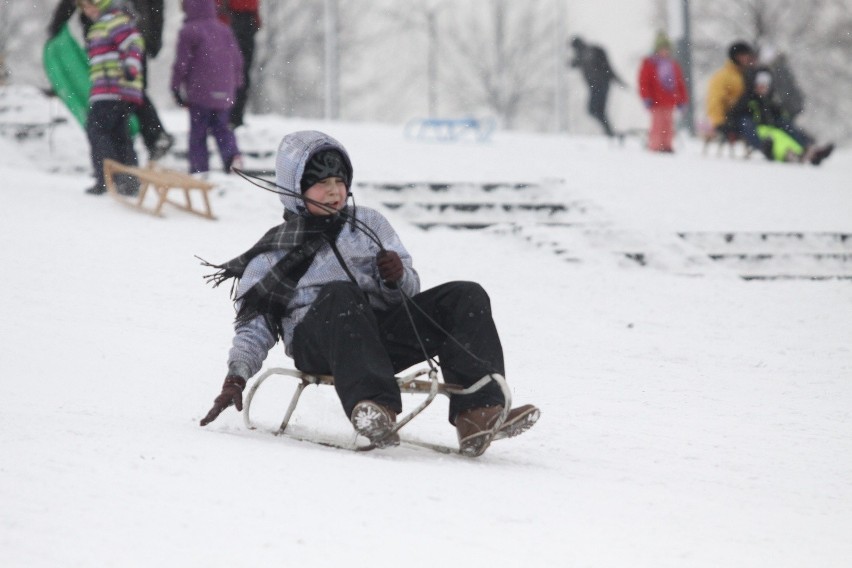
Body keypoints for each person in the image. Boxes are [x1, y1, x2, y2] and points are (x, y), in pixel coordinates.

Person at [198, 130, 540, 457]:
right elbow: (254, 326)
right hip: (319, 342)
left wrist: (397, 278)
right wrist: (236, 377)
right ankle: (376, 409)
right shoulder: (273, 252)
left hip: (377, 338)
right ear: (295, 190)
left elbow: (408, 296)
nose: (334, 191)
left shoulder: (368, 224)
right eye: (321, 184)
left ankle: (479, 411)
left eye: (339, 182)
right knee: (341, 294)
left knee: (465, 296)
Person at [48, 0, 174, 161]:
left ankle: (126, 159)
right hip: (115, 33)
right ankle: (129, 161)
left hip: (119, 34)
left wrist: (56, 25)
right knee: (126, 103)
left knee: (113, 112)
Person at [77, 0, 144, 196]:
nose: (88, 11)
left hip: (112, 89)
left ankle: (107, 179)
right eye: (84, 8)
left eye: (90, 5)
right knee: (119, 134)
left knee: (98, 131)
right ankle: (129, 180)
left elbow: (134, 42)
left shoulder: (113, 21)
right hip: (111, 90)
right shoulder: (100, 26)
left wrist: (130, 66)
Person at [171, 0, 244, 174]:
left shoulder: (189, 31)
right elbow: (237, 60)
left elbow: (182, 63)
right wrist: (237, 84)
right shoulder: (224, 29)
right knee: (222, 127)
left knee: (198, 133)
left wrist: (175, 87)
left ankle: (199, 169)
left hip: (200, 92)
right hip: (225, 91)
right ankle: (232, 157)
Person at [728, 68, 834, 165]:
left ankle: (809, 148)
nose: (763, 88)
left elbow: (778, 113)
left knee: (783, 127)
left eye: (765, 85)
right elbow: (736, 114)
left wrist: (782, 117)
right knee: (773, 137)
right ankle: (786, 154)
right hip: (758, 129)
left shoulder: (768, 101)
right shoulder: (747, 100)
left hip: (770, 127)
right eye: (760, 85)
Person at [637, 32, 688, 153]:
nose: (665, 52)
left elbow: (679, 84)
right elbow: (644, 82)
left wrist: (682, 100)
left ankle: (667, 145)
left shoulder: (673, 65)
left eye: (667, 49)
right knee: (657, 124)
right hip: (656, 100)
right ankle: (655, 145)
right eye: (662, 49)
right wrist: (646, 97)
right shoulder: (649, 64)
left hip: (670, 100)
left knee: (668, 125)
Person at [705, 41, 761, 151]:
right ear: (736, 57)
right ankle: (765, 148)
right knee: (749, 126)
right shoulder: (723, 76)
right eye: (744, 55)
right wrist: (719, 123)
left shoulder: (748, 74)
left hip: (750, 114)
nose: (747, 58)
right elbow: (715, 100)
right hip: (732, 118)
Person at [568, 36, 626, 137]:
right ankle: (608, 131)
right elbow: (573, 63)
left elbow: (607, 67)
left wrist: (618, 80)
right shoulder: (585, 53)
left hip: (600, 85)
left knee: (594, 110)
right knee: (596, 110)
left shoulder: (590, 52)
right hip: (597, 86)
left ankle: (609, 131)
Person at [215, 0, 260, 128]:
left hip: (235, 17)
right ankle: (232, 116)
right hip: (235, 17)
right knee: (238, 72)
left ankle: (230, 116)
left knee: (235, 72)